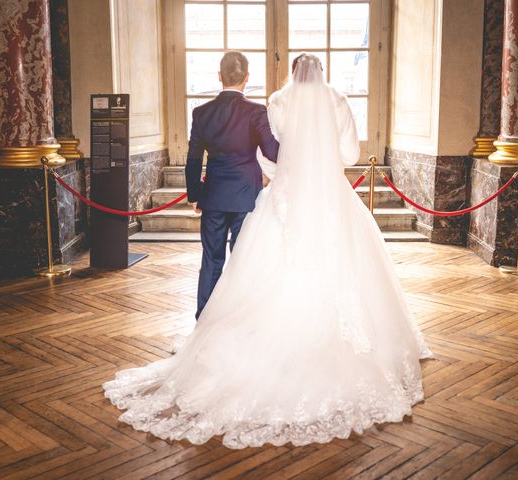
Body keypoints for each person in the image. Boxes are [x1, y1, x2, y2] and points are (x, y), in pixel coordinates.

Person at [103, 53, 432, 449]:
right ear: (321, 74)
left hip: (282, 194)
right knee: (343, 262)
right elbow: (348, 154)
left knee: (250, 266)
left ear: (291, 73)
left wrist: (284, 178)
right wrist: (318, 164)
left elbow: (269, 153)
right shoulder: (337, 100)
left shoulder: (277, 101)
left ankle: (218, 327)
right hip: (330, 195)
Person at [185, 51, 279, 319]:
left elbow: (193, 158)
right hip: (246, 197)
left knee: (212, 260)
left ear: (219, 76)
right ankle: (239, 319)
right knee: (242, 260)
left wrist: (194, 194)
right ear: (247, 78)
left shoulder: (201, 113)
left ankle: (205, 318)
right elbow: (273, 152)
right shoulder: (256, 111)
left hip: (213, 196)